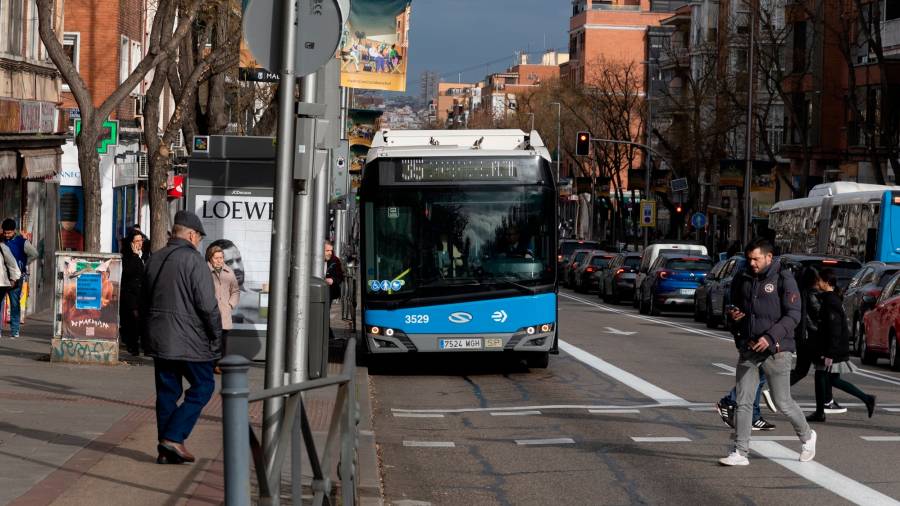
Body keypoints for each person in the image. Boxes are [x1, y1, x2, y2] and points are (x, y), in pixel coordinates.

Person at [719, 238, 816, 466]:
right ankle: (740, 452)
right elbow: (734, 307)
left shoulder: (784, 278)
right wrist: (734, 318)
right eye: (749, 258)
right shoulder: (742, 278)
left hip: (777, 350)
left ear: (769, 257)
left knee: (782, 402)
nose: (751, 263)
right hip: (749, 348)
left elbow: (793, 315)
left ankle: (807, 436)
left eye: (756, 259)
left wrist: (770, 338)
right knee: (743, 400)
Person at [141, 210, 222, 465]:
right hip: (190, 341)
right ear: (190, 234)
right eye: (198, 236)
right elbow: (208, 306)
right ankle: (173, 438)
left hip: (160, 339)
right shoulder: (194, 261)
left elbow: (143, 301)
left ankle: (166, 451)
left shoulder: (155, 258)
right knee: (204, 385)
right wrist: (216, 338)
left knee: (167, 391)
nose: (199, 241)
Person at [805, 269, 876, 422]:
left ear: (827, 283)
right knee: (831, 379)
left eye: (820, 281)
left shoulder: (830, 301)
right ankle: (866, 398)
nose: (818, 283)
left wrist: (830, 353)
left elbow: (834, 328)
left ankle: (820, 412)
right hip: (834, 347)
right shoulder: (830, 298)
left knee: (821, 376)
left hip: (831, 349)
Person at [789, 266, 844, 413]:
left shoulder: (799, 292)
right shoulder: (814, 294)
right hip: (811, 337)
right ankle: (826, 402)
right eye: (817, 279)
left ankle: (826, 401)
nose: (818, 282)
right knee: (822, 369)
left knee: (812, 369)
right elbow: (820, 314)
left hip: (803, 336)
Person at [1, 219, 38, 338]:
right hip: (2, 276)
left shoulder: (22, 242)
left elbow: (34, 254)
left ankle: (15, 330)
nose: (7, 235)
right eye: (5, 232)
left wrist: (24, 264)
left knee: (15, 304)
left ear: (14, 231)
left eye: (9, 233)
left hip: (16, 277)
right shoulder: (1, 240)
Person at [207, 243, 240, 368]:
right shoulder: (205, 271)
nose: (219, 261)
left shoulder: (229, 272)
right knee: (210, 340)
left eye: (221, 258)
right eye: (216, 258)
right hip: (210, 312)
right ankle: (210, 364)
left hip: (224, 313)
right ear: (210, 258)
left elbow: (235, 291)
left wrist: (230, 305)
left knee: (223, 341)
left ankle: (220, 365)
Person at [120, 230, 148, 355]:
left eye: (141, 240)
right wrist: (135, 256)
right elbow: (129, 272)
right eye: (136, 241)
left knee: (141, 321)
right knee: (133, 321)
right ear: (131, 243)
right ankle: (133, 346)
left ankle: (141, 345)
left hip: (143, 293)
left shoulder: (146, 254)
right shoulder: (127, 256)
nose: (139, 243)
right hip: (131, 295)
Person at [0, 241, 22, 338]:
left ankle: (15, 330)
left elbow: (12, 264)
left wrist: (14, 279)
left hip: (3, 282)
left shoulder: (3, 247)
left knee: (14, 304)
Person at [325, 241, 343, 340]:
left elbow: (340, 276)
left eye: (331, 250)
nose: (330, 253)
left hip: (330, 292)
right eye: (327, 250)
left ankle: (329, 335)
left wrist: (333, 280)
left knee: (325, 312)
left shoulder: (335, 260)